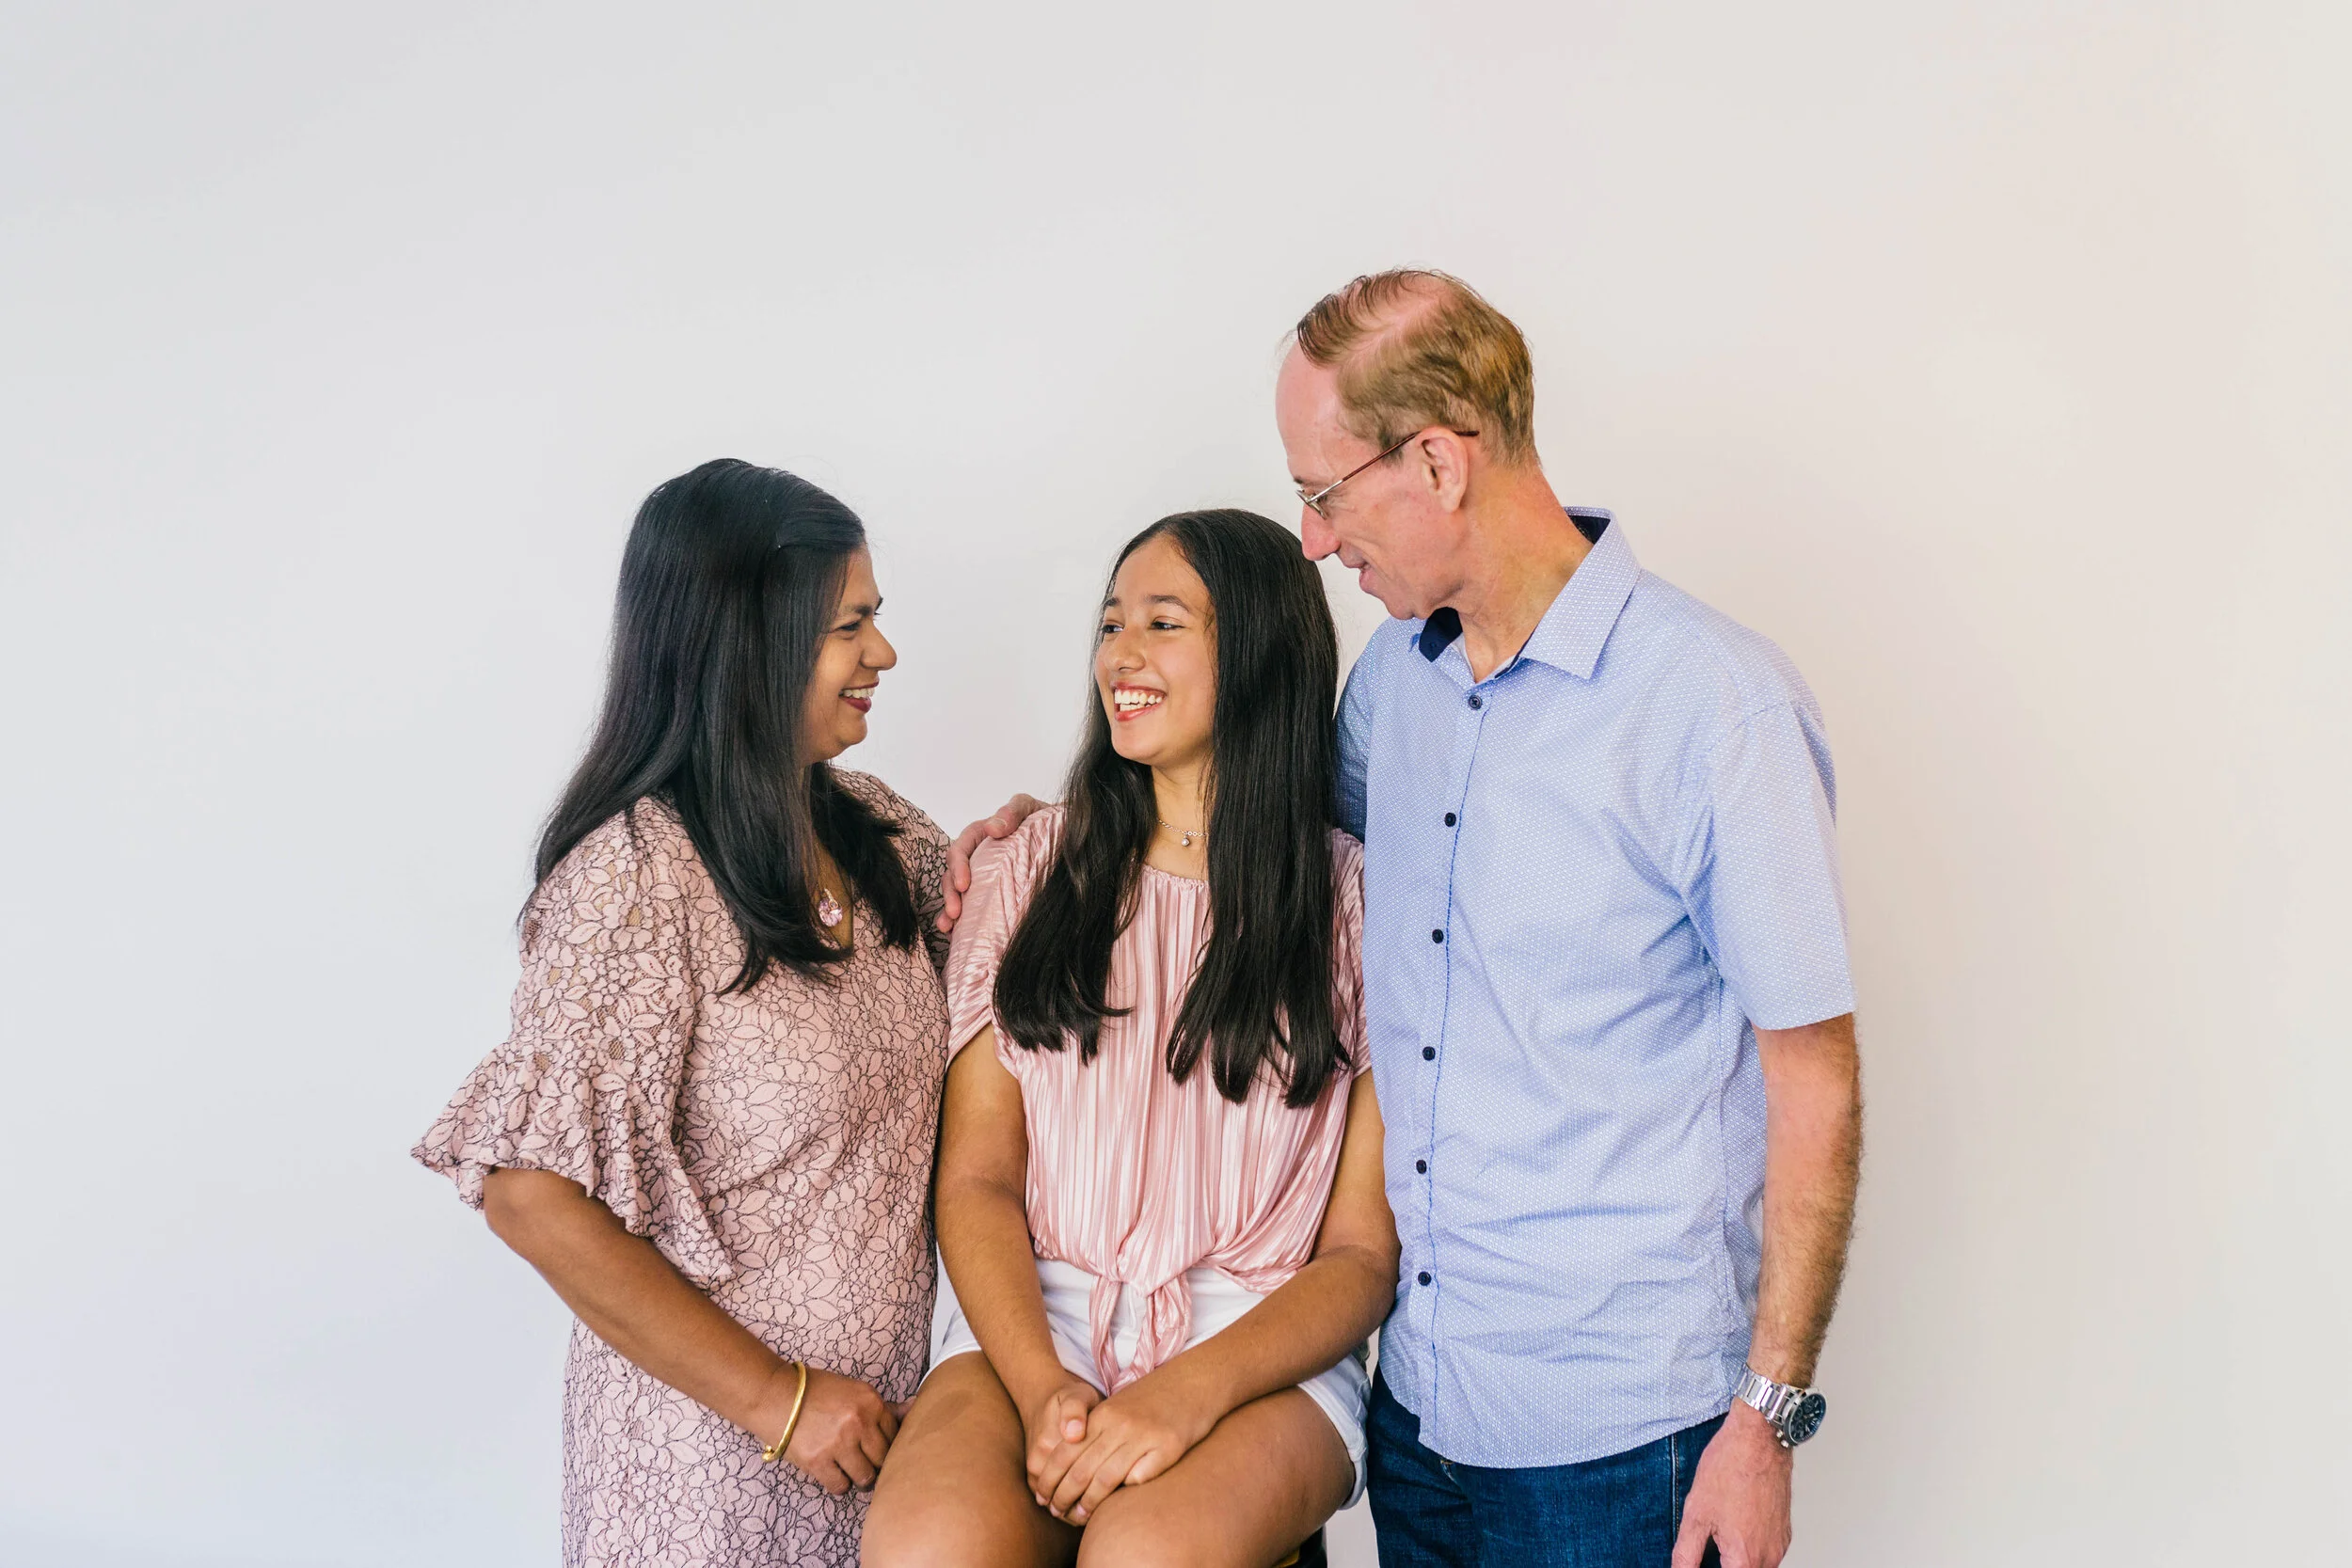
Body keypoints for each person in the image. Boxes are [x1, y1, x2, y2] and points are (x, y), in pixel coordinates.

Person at [945, 273, 1862, 1568]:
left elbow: (1815, 1076)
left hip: (1623, 1429)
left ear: (1437, 462)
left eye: (1324, 492)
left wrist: (1765, 1416)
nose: (1314, 539)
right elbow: (1243, 847)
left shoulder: (1715, 707)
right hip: (1420, 1415)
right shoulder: (1394, 686)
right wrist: (1055, 833)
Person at [413, 459, 953, 1568]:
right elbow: (530, 1194)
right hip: (707, 1471)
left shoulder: (881, 833)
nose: (883, 654)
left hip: (890, 1453)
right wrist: (777, 1399)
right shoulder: (636, 875)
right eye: (849, 626)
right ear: (748, 641)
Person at [865, 510, 1397, 1568]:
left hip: (1259, 1342)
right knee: (927, 1544)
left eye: (1163, 622)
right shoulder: (1027, 868)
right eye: (1112, 624)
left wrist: (1185, 1393)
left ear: (1259, 652)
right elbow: (977, 1179)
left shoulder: (1358, 905)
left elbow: (1360, 1255)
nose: (1121, 655)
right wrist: (1042, 1387)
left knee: (1145, 1552)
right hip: (1038, 1316)